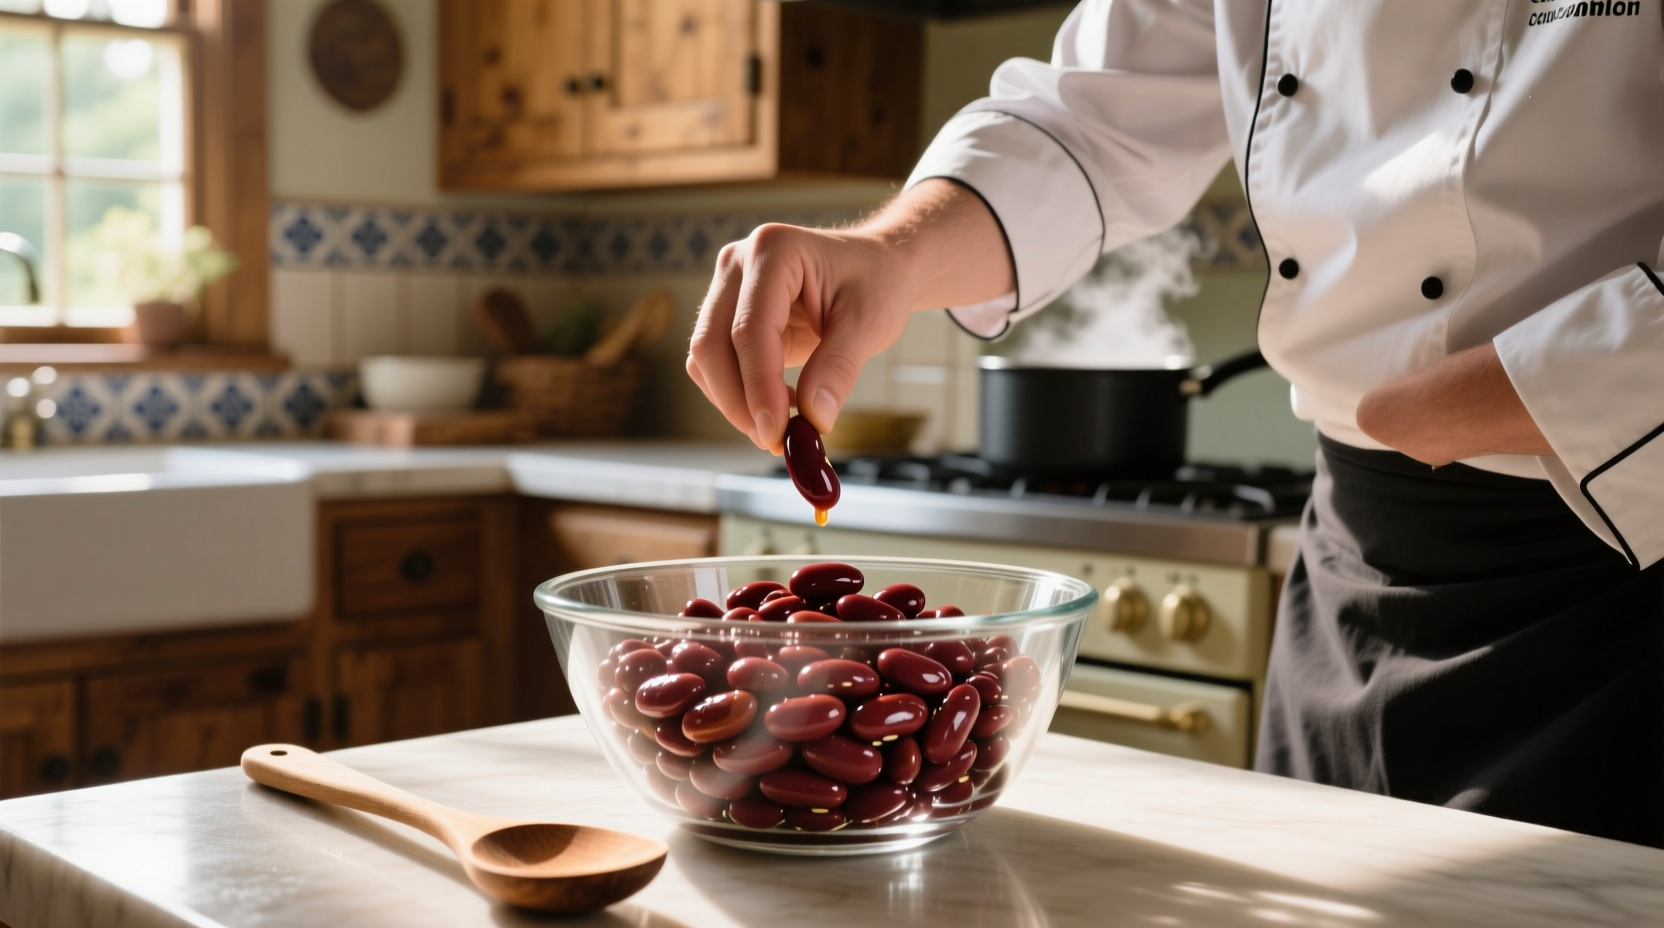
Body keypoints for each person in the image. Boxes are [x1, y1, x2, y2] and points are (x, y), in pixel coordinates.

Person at [686, 1, 1664, 846]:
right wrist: (892, 255)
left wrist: (1512, 389)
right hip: (1351, 562)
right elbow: (1083, 119)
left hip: (1623, 570)